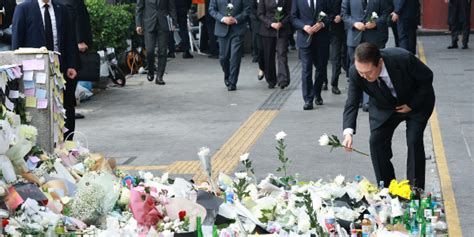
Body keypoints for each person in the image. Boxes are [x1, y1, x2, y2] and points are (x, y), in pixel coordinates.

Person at [342, 43, 435, 190]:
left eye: (368, 73)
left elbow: (427, 78)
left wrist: (412, 104)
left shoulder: (402, 58)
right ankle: (387, 189)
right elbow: (352, 102)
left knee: (413, 141)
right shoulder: (356, 72)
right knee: (376, 142)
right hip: (384, 107)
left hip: (415, 103)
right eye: (361, 73)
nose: (364, 77)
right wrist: (348, 133)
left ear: (380, 62)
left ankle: (415, 190)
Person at [12, 0, 78, 141]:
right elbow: (17, 42)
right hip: (33, 70)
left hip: (60, 68)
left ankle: (67, 142)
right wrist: (17, 68)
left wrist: (72, 64)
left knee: (66, 106)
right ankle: (40, 142)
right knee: (38, 107)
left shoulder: (62, 9)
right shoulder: (23, 9)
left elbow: (69, 39)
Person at [341, 0, 389, 111]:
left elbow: (386, 13)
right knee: (355, 70)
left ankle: (368, 100)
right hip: (354, 38)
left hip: (373, 38)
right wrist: (354, 23)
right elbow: (344, 14)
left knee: (371, 69)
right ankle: (357, 99)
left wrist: (376, 23)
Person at [291, 0, 332, 110]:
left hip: (321, 39)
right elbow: (293, 17)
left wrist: (322, 24)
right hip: (305, 38)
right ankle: (308, 99)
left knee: (321, 68)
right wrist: (304, 27)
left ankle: (317, 93)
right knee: (306, 69)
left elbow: (331, 14)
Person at [58, 0, 92, 121]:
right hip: (64, 50)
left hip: (69, 51)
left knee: (68, 97)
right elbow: (75, 14)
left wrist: (80, 40)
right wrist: (80, 40)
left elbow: (78, 14)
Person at [209, 0, 250, 91]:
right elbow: (212, 9)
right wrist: (223, 19)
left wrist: (236, 19)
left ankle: (232, 82)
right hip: (222, 29)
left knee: (235, 56)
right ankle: (227, 75)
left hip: (238, 30)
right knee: (223, 58)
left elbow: (247, 9)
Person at [136, 0, 178, 85]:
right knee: (149, 50)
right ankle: (150, 70)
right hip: (148, 23)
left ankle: (159, 77)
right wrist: (138, 24)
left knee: (162, 51)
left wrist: (174, 22)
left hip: (163, 23)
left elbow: (172, 7)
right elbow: (139, 8)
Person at [257, 0, 291, 89]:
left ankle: (283, 79)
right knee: (268, 55)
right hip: (267, 30)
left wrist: (282, 23)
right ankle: (271, 80)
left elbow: (290, 13)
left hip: (282, 30)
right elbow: (260, 14)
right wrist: (271, 23)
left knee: (282, 53)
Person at [327, 0, 347, 95]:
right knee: (321, 59)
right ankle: (323, 81)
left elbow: (346, 8)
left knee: (336, 58)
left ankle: (334, 84)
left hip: (337, 30)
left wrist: (341, 16)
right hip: (322, 29)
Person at [250, 0, 265, 81]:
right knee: (260, 48)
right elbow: (251, 8)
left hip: (270, 22)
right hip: (257, 23)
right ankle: (261, 68)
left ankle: (270, 71)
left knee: (270, 49)